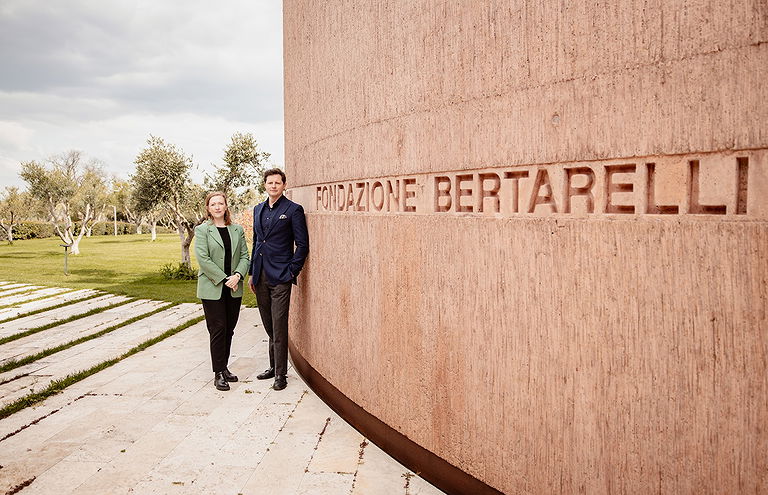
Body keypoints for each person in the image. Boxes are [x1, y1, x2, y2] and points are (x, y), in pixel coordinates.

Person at [249, 168, 309, 391]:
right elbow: (256, 242)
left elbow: (302, 245)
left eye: (277, 183)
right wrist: (252, 273)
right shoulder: (257, 209)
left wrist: (292, 270)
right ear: (264, 185)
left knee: (279, 324)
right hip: (260, 275)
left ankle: (281, 375)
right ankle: (274, 366)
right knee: (268, 324)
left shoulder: (293, 210)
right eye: (269, 182)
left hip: (281, 276)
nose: (273, 186)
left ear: (284, 185)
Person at [195, 191, 250, 391]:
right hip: (213, 288)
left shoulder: (237, 230)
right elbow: (203, 259)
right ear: (208, 208)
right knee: (218, 329)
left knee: (229, 329)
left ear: (226, 206)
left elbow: (245, 256)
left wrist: (237, 275)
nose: (217, 207)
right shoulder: (202, 230)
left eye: (221, 203)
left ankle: (224, 367)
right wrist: (225, 278)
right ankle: (218, 372)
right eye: (213, 204)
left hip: (234, 287)